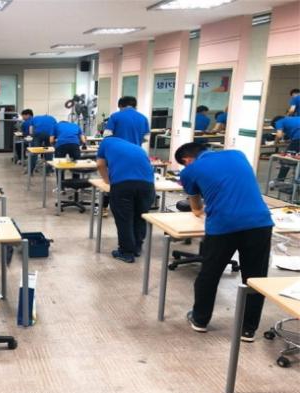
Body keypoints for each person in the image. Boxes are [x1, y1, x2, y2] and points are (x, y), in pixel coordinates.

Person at [175, 142, 273, 342]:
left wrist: (200, 209)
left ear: (187, 160)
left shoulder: (189, 171)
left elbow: (196, 206)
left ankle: (200, 320)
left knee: (209, 275)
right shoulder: (238, 154)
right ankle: (248, 329)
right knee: (255, 278)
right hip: (259, 223)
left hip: (223, 226)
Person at [97, 137, 155, 263]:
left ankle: (126, 252)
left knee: (124, 218)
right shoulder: (137, 147)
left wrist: (107, 180)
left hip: (123, 184)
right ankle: (137, 248)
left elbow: (100, 164)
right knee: (140, 215)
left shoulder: (105, 142)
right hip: (147, 185)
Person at [270, 115, 300, 186]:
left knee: (287, 159)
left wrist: (275, 142)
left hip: (298, 137)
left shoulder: (279, 122)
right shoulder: (292, 119)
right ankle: (298, 181)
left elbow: (279, 135)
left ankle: (280, 180)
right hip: (297, 138)